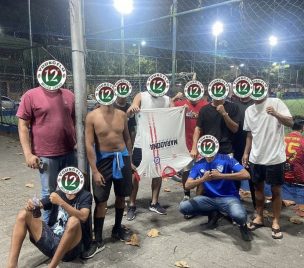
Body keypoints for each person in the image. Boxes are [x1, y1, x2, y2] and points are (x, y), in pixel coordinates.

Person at [16, 86, 76, 222]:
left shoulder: (69, 95)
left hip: (70, 153)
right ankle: (49, 232)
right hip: (46, 155)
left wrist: (76, 142)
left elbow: (75, 121)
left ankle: (65, 228)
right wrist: (28, 154)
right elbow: (23, 126)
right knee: (49, 194)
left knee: (70, 191)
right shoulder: (31, 95)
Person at [83, 102, 133, 258]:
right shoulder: (92, 116)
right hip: (102, 162)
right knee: (101, 200)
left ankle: (117, 229)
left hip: (122, 158)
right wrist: (95, 171)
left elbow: (127, 138)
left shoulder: (122, 115)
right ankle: (97, 240)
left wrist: (129, 161)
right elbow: (89, 144)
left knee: (121, 196)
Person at [242, 96, 293, 239]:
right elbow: (249, 134)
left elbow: (290, 122)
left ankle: (276, 222)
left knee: (276, 190)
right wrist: (246, 152)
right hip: (256, 158)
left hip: (275, 157)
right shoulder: (249, 110)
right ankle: (259, 217)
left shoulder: (275, 102)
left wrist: (276, 114)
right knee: (258, 189)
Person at [7, 188, 92, 268]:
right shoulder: (58, 193)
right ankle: (12, 265)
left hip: (70, 249)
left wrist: (61, 202)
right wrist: (32, 204)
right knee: (23, 213)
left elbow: (83, 216)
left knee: (74, 221)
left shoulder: (85, 195)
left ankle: (52, 266)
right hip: (52, 240)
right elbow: (39, 204)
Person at [179, 152, 252, 241]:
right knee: (183, 207)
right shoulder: (199, 164)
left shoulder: (226, 159)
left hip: (229, 198)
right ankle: (214, 212)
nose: (208, 156)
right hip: (209, 199)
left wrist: (221, 176)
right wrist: (203, 179)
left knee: (239, 216)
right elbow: (187, 185)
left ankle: (242, 225)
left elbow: (246, 175)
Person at [126, 91, 172, 221]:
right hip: (142, 143)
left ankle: (154, 203)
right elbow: (129, 113)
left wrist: (181, 111)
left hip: (159, 143)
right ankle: (132, 204)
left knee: (158, 172)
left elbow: (174, 116)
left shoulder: (168, 100)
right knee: (135, 173)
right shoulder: (141, 96)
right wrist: (132, 109)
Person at [173, 92, 208, 205]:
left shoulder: (205, 104)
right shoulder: (181, 103)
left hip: (202, 145)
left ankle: (199, 196)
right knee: (186, 171)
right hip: (184, 144)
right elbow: (167, 108)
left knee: (202, 171)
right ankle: (186, 193)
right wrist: (175, 98)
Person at [231, 95, 256, 208]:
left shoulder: (256, 103)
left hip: (254, 146)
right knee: (236, 173)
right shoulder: (233, 104)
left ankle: (257, 203)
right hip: (237, 145)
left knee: (253, 176)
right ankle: (235, 199)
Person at [284, 115, 304, 185]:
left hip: (280, 176)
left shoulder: (283, 139)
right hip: (298, 179)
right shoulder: (302, 141)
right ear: (303, 128)